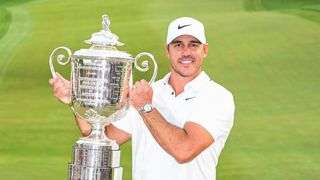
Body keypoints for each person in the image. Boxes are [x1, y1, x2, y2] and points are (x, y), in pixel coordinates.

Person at [49, 17, 235, 180]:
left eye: (193, 45)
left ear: (205, 50)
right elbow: (99, 135)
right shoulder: (148, 92)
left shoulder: (218, 97)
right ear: (167, 50)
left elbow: (184, 151)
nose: (186, 52)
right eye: (178, 45)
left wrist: (146, 107)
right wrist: (75, 100)